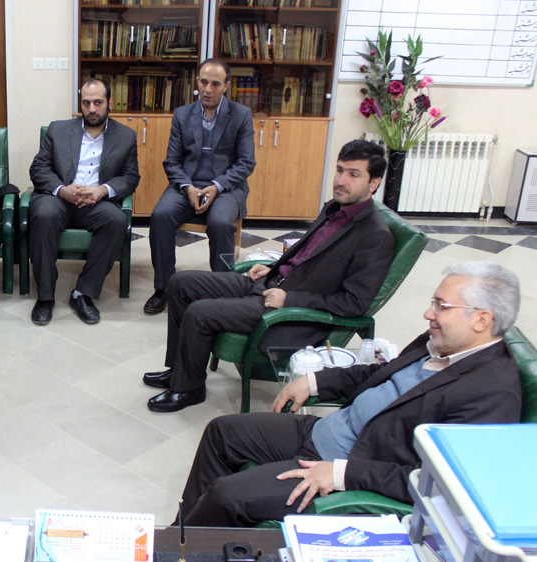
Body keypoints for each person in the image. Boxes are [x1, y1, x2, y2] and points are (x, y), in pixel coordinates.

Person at [178, 262, 522, 527]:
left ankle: (188, 547)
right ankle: (183, 535)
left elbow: (436, 484)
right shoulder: (441, 341)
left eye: (441, 306)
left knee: (227, 496)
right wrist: (314, 382)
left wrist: (340, 473)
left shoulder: (491, 394)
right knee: (222, 432)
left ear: (481, 320)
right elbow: (379, 373)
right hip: (327, 431)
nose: (428, 314)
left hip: (348, 465)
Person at [144, 140, 394, 412]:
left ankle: (188, 389)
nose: (341, 180)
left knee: (199, 312)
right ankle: (179, 370)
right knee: (181, 283)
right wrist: (273, 267)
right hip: (268, 282)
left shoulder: (375, 236)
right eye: (340, 170)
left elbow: (354, 303)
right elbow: (306, 254)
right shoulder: (334, 208)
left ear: (374, 183)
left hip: (285, 309)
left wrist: (289, 299)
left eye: (353, 174)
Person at [145, 58, 256, 315]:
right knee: (160, 216)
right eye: (204, 82)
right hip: (187, 185)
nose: (208, 89)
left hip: (227, 187)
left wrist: (217, 186)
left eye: (215, 84)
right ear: (197, 82)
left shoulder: (241, 115)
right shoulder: (183, 114)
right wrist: (187, 187)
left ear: (226, 86)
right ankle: (163, 288)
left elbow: (246, 163)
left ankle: (222, 291)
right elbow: (172, 161)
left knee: (220, 223)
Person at [28, 78, 140, 325]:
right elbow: (39, 168)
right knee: (43, 215)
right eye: (86, 103)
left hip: (96, 202)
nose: (91, 109)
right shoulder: (58, 130)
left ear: (109, 103)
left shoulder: (126, 136)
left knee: (116, 221)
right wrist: (62, 190)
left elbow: (131, 177)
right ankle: (45, 297)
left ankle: (83, 293)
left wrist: (102, 190)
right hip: (60, 199)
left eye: (98, 102)